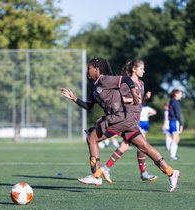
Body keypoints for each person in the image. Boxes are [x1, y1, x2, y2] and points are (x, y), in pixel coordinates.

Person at [61, 58, 181, 192]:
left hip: (119, 118)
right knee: (144, 146)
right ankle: (171, 172)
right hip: (125, 120)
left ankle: (96, 176)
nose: (87, 70)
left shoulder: (104, 79)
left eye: (89, 68)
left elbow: (126, 79)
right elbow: (89, 106)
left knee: (92, 138)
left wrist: (134, 92)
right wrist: (74, 98)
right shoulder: (94, 86)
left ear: (96, 69)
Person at [100, 60, 157, 183]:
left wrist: (144, 98)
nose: (144, 71)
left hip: (135, 119)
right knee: (142, 145)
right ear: (134, 70)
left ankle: (106, 168)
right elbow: (119, 99)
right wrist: (132, 99)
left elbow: (139, 101)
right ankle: (143, 173)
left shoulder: (141, 84)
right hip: (126, 118)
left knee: (125, 146)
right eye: (141, 68)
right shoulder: (126, 83)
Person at [168, 89, 183, 160]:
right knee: (175, 138)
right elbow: (178, 114)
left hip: (172, 121)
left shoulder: (171, 101)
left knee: (177, 138)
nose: (181, 95)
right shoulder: (176, 102)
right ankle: (172, 155)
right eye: (180, 94)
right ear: (176, 94)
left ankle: (174, 154)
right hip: (175, 121)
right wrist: (181, 123)